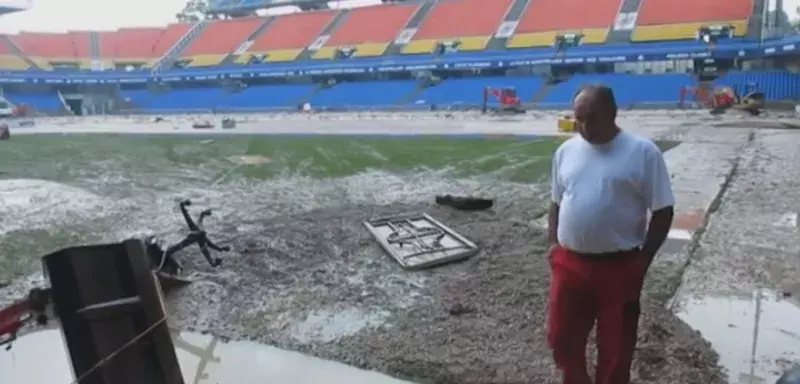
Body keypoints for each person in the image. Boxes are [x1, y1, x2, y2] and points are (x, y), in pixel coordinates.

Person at [547, 84, 675, 384]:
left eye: (591, 118)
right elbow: (555, 201)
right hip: (570, 264)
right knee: (561, 339)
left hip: (619, 267)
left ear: (612, 113)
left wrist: (642, 264)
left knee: (616, 349)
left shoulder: (643, 152)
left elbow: (663, 211)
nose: (583, 127)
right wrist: (553, 245)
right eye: (578, 119)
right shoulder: (566, 151)